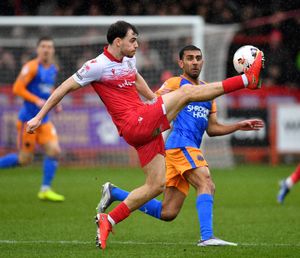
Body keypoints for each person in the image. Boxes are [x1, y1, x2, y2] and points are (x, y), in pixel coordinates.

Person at [26, 21, 264, 249]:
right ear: (117, 42)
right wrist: (38, 117)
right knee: (187, 92)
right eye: (133, 40)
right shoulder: (96, 66)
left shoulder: (128, 59)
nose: (137, 45)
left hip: (142, 124)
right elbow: (63, 88)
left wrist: (152, 98)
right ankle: (246, 79)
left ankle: (109, 220)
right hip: (134, 122)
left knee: (157, 185)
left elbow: (135, 77)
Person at [96, 45, 264, 246]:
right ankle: (207, 237)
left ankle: (115, 193)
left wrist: (237, 126)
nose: (194, 62)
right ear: (181, 63)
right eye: (190, 58)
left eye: (198, 58)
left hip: (186, 149)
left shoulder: (206, 91)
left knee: (168, 212)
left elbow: (212, 129)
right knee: (206, 183)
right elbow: (155, 102)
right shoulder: (176, 83)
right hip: (179, 144)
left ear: (202, 62)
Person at [0, 36, 64, 202]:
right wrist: (36, 100)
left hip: (44, 120)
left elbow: (48, 88)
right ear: (38, 49)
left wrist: (55, 103)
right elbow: (17, 88)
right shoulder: (31, 67)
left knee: (55, 151)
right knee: (24, 160)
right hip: (28, 121)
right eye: (43, 46)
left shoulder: (53, 69)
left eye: (49, 47)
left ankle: (45, 189)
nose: (46, 49)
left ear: (53, 50)